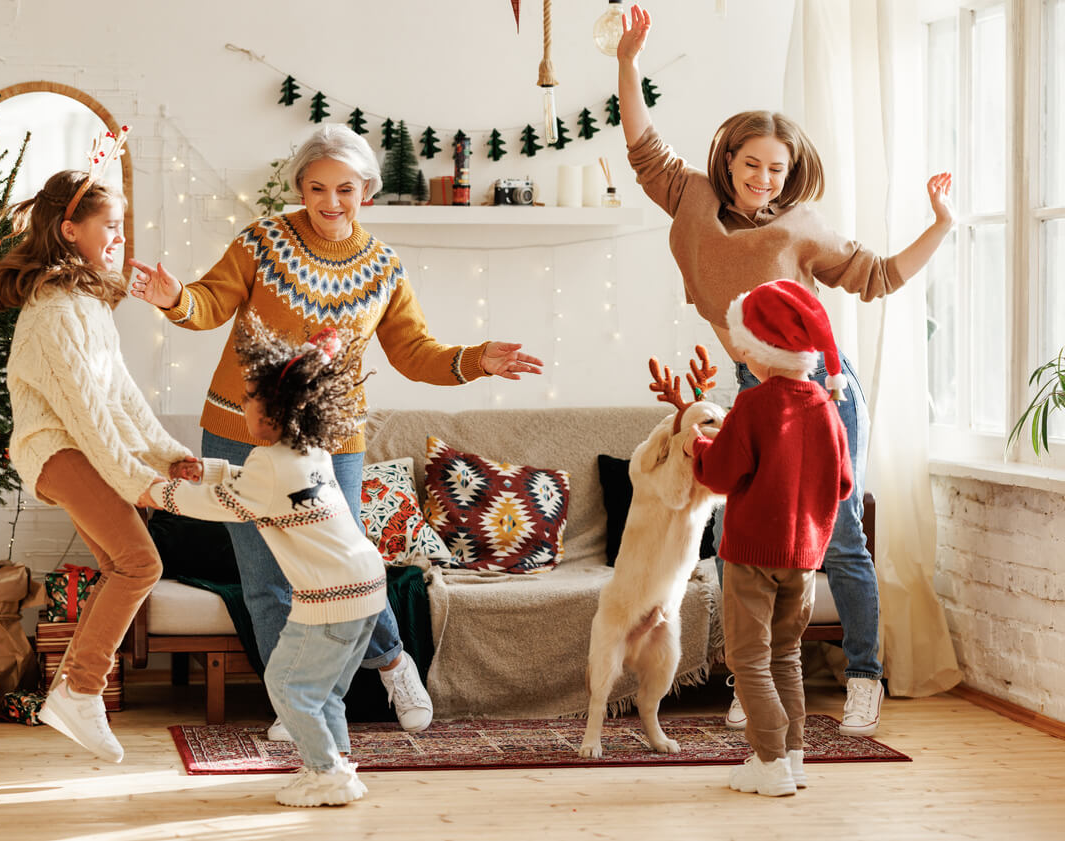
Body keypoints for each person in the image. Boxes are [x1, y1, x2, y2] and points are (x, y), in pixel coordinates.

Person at [127, 123, 543, 740]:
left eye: (344, 189)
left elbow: (413, 352)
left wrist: (477, 358)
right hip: (240, 428)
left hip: (332, 440)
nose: (329, 201)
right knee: (265, 579)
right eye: (316, 188)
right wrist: (174, 298)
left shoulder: (381, 267)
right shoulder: (262, 242)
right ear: (299, 187)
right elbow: (209, 303)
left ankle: (394, 663)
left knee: (344, 569)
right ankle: (296, 706)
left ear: (366, 191)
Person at [617, 4, 955, 736]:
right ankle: (758, 680)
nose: (764, 179)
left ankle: (864, 674)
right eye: (752, 164)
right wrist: (628, 61)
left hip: (823, 392)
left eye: (778, 168)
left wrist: (940, 225)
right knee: (749, 539)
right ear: (728, 161)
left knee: (838, 541)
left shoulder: (801, 227)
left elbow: (877, 276)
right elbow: (643, 147)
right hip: (751, 391)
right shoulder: (692, 200)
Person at [0, 168, 201, 763]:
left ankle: (74, 691)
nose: (118, 237)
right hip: (57, 450)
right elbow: (85, 415)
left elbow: (121, 395)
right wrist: (140, 482)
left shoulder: (85, 300)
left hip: (73, 448)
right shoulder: (55, 311)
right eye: (109, 226)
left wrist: (169, 456)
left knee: (120, 564)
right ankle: (80, 690)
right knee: (140, 563)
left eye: (121, 226)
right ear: (69, 229)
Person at [144, 315, 382, 807]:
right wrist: (208, 469)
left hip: (330, 598)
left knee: (288, 685)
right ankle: (336, 765)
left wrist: (157, 492)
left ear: (270, 416)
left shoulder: (270, 464)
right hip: (367, 588)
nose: (243, 408)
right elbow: (261, 486)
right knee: (324, 692)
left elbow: (222, 506)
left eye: (248, 401)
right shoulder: (308, 449)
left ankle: (324, 773)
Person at [685, 279, 854, 797]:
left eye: (744, 345)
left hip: (752, 556)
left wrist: (697, 444)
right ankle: (793, 757)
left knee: (749, 659)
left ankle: (770, 760)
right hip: (803, 560)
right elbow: (844, 484)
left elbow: (718, 475)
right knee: (786, 656)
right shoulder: (826, 406)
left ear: (760, 353)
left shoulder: (755, 406)